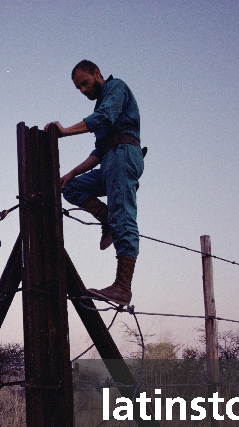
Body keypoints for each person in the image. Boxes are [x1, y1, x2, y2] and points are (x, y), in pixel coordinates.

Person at [45, 59, 144, 305]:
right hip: (109, 159)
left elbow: (104, 116)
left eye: (85, 83)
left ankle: (122, 287)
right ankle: (107, 220)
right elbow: (98, 153)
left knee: (123, 215)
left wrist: (65, 131)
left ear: (97, 73)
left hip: (123, 155)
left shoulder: (115, 88)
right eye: (79, 88)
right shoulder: (102, 105)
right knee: (72, 188)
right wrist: (70, 174)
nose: (84, 90)